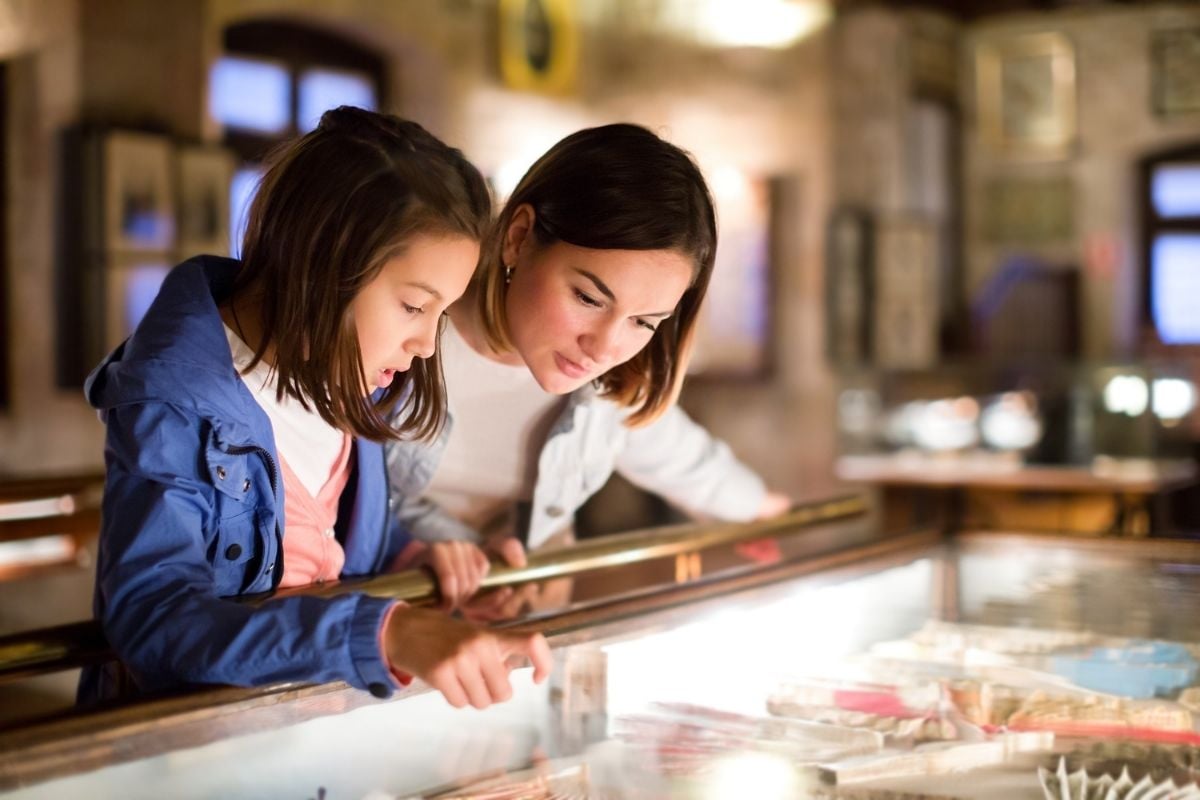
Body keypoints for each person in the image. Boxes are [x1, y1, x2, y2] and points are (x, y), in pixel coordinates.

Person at [79, 107, 551, 710]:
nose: (427, 345)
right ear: (323, 263)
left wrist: (417, 562)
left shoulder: (349, 380)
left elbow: (322, 544)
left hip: (302, 737)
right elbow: (154, 620)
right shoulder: (174, 405)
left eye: (441, 313)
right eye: (413, 306)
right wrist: (387, 631)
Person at [385, 123, 791, 592]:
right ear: (519, 236)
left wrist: (765, 512)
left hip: (511, 625)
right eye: (588, 298)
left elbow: (686, 460)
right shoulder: (400, 343)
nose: (604, 349)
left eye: (644, 322)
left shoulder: (612, 391)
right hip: (386, 620)